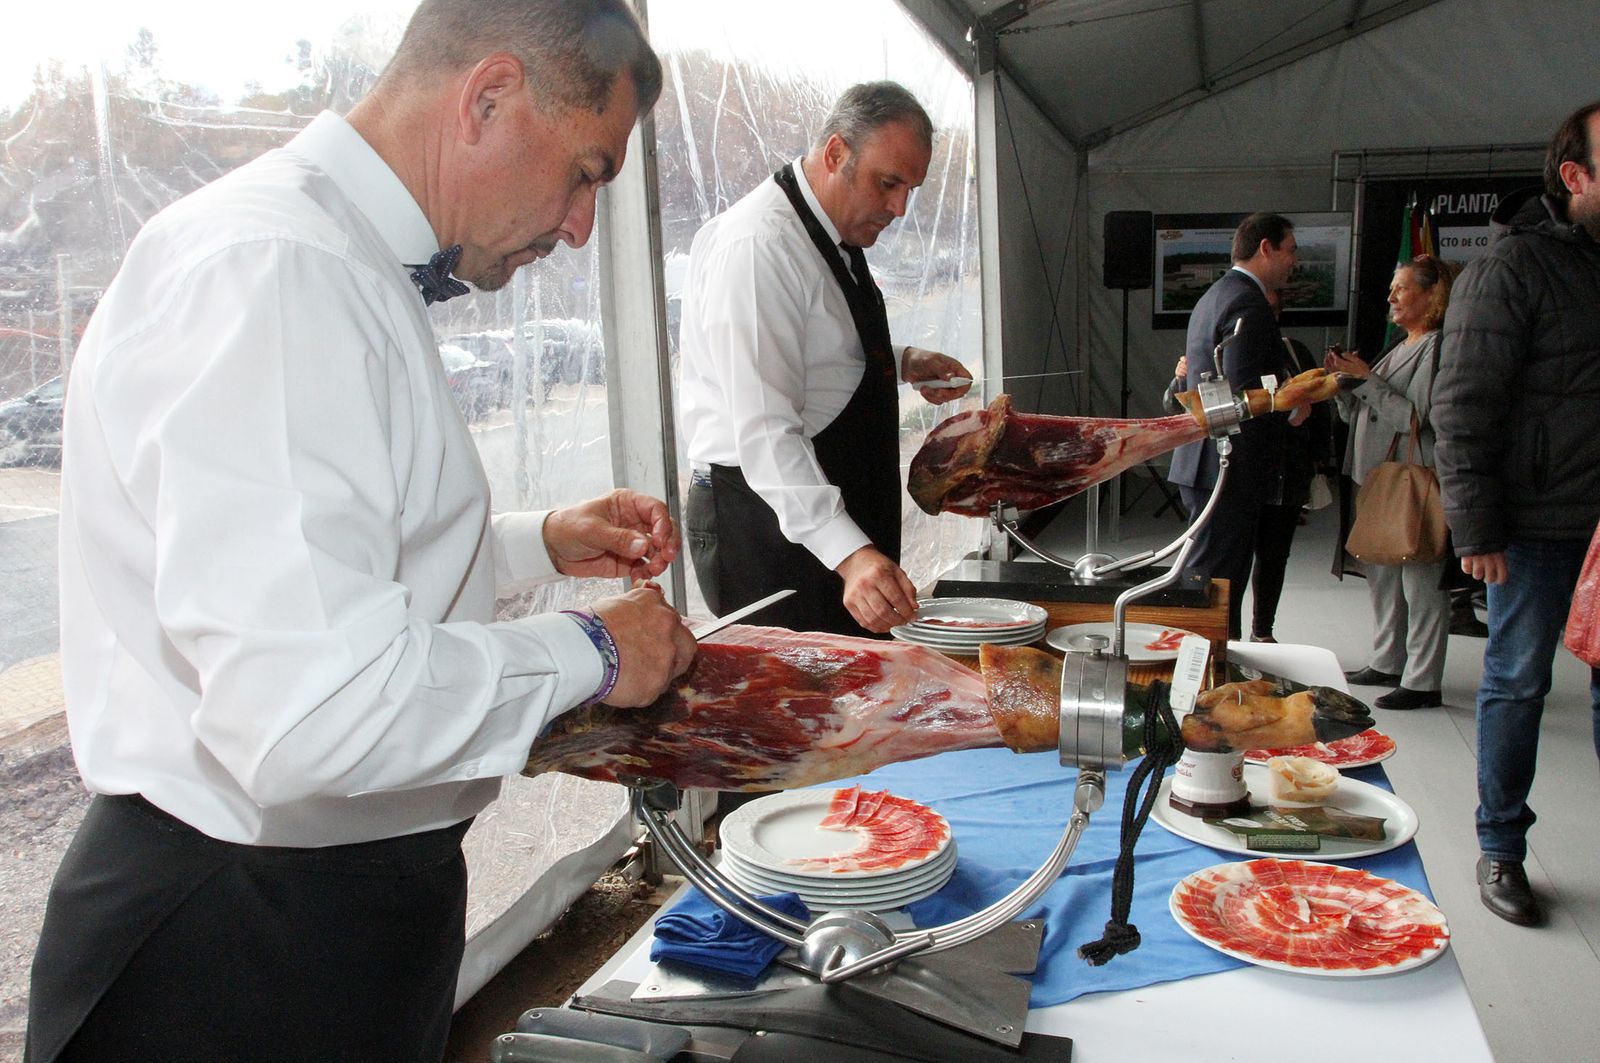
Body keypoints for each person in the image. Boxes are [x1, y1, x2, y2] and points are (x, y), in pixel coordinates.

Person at [25, 3, 700, 1060]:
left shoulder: (325, 258)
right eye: (586, 171)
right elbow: (315, 706)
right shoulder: (279, 271)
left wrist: (536, 541)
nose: (578, 227)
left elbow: (329, 558)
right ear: (487, 98)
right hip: (236, 943)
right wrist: (596, 650)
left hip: (327, 906)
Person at [678, 81, 972, 639]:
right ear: (836, 153)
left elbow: (812, 349)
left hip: (819, 513)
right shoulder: (761, 247)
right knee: (799, 709)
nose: (900, 208)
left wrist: (903, 361)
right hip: (766, 528)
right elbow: (766, 433)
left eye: (911, 189)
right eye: (889, 183)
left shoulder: (832, 230)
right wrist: (850, 556)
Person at [1433, 100, 1600, 929]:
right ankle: (1501, 845)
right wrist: (1479, 528)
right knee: (1517, 680)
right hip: (1536, 524)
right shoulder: (1515, 265)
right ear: (1576, 177)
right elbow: (1462, 401)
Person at [1162, 286, 1331, 643]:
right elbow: (1178, 409)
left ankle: (1260, 632)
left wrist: (1312, 442)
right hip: (1233, 470)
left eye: (1263, 314)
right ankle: (1226, 639)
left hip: (1281, 472)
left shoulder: (1292, 352)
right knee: (1223, 565)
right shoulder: (1215, 356)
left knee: (1270, 555)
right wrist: (1181, 378)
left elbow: (1319, 409)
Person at [1329, 253, 1460, 710]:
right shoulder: (1400, 346)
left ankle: (1423, 680)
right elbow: (1370, 410)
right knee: (1382, 573)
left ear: (1432, 296)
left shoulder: (1438, 347)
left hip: (1415, 480)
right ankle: (1388, 659)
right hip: (1378, 478)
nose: (1391, 297)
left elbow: (1415, 418)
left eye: (1401, 288)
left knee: (1420, 579)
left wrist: (1366, 381)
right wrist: (1345, 389)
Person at [1166, 213, 1299, 640]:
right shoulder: (1246, 301)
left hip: (1209, 459)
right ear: (1266, 248)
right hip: (1227, 464)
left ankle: (1215, 668)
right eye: (1291, 250)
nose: (1294, 261)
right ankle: (1202, 679)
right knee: (1215, 583)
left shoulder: (1215, 295)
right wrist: (1291, 403)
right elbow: (1243, 391)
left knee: (1216, 578)